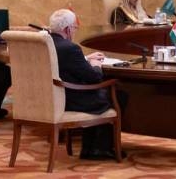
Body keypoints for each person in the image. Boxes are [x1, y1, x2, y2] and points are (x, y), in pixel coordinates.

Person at [48, 9, 125, 161]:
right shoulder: (70, 48)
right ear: (67, 29)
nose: (74, 32)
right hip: (71, 100)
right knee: (118, 95)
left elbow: (63, 62)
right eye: (74, 28)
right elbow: (94, 78)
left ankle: (89, 148)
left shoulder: (47, 43)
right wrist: (95, 65)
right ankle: (99, 148)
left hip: (54, 98)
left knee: (100, 96)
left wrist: (85, 59)